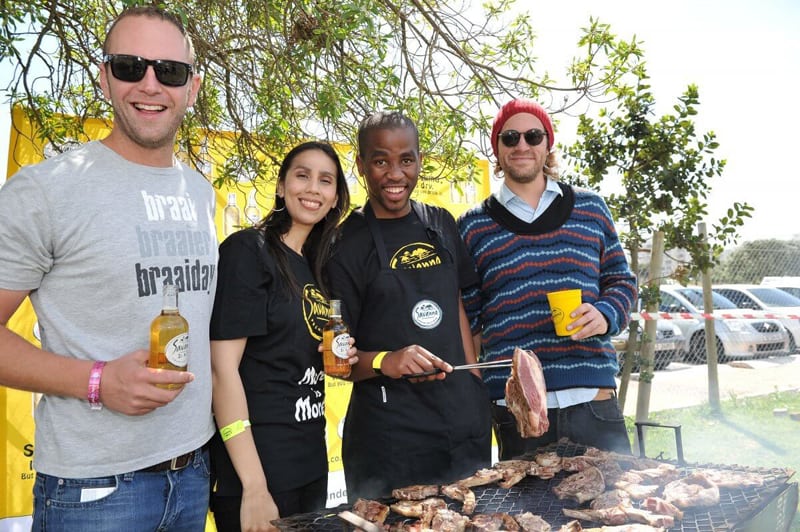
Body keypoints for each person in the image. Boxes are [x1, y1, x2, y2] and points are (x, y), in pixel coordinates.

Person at [0, 6, 216, 530]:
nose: (150, 84)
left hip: (193, 473)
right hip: (94, 492)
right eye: (129, 66)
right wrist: (97, 381)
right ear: (103, 77)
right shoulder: (45, 191)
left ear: (192, 86)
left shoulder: (200, 192)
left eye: (169, 71)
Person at [325, 111, 492, 502]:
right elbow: (338, 360)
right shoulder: (345, 244)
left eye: (406, 159)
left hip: (460, 422)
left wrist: (474, 384)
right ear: (362, 165)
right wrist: (388, 360)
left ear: (419, 160)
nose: (395, 174)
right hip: (390, 438)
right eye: (381, 161)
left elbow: (457, 304)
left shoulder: (441, 224)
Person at [457, 98, 637, 460]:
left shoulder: (590, 208)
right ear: (497, 148)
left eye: (533, 136)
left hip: (593, 402)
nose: (522, 145)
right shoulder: (472, 226)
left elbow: (622, 282)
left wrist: (604, 314)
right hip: (517, 412)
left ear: (547, 144)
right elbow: (470, 321)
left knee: (618, 509)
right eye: (510, 138)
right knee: (526, 517)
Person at [208, 141, 354, 531]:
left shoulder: (316, 266)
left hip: (309, 463)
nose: (312, 189)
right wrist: (254, 485)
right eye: (302, 175)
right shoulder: (248, 251)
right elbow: (222, 370)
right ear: (280, 185)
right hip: (258, 471)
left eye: (325, 181)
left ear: (335, 196)